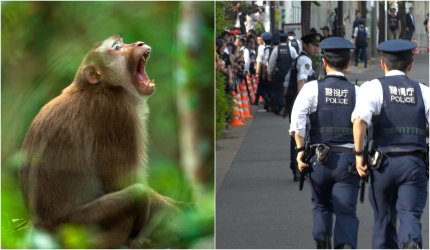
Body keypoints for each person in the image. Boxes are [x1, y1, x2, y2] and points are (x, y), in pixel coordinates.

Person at [352, 39, 429, 248]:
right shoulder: (423, 91)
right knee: (410, 214)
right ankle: (411, 241)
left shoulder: (373, 88)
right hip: (414, 162)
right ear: (410, 65)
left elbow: (359, 121)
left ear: (383, 64)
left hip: (382, 164)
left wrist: (359, 155)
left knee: (383, 220)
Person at [290, 37, 360, 248]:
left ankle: (321, 237)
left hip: (318, 160)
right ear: (348, 64)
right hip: (347, 161)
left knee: (321, 204)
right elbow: (365, 126)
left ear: (323, 61)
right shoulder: (357, 92)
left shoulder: (311, 89)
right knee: (346, 209)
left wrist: (301, 151)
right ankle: (345, 244)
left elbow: (297, 123)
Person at [286, 33, 322, 181]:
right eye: (313, 45)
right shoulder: (305, 60)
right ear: (305, 45)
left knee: (298, 133)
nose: (316, 48)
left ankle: (297, 167)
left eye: (317, 45)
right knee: (300, 134)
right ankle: (298, 167)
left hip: (294, 102)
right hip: (301, 104)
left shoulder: (300, 59)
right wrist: (303, 104)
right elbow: (301, 81)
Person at [267, 33, 298, 115]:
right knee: (289, 91)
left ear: (279, 40)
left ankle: (281, 105)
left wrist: (269, 73)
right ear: (287, 40)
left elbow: (271, 63)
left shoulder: (276, 50)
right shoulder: (291, 49)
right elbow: (297, 59)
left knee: (278, 91)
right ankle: (287, 106)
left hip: (279, 74)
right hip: (290, 74)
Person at [255, 32, 272, 106]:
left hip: (264, 70)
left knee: (261, 86)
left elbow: (259, 61)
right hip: (271, 69)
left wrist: (257, 72)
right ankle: (268, 102)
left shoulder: (261, 47)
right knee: (268, 86)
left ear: (263, 40)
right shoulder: (273, 47)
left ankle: (267, 100)